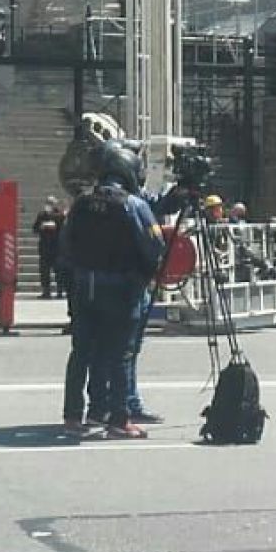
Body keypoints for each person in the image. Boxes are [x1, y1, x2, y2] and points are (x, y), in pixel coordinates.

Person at [58, 145, 166, 440]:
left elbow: (65, 245)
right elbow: (155, 247)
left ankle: (71, 416)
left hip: (84, 288)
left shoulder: (81, 203)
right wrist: (143, 276)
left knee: (80, 354)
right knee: (120, 355)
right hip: (120, 290)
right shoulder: (133, 205)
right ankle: (119, 419)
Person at [33, 198, 65, 299]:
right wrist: (41, 226)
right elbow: (35, 228)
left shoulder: (60, 215)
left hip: (57, 248)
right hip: (44, 247)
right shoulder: (42, 215)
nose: (49, 205)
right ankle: (46, 292)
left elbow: (63, 228)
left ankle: (60, 291)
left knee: (59, 271)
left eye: (51, 203)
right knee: (44, 272)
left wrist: (54, 225)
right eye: (48, 203)